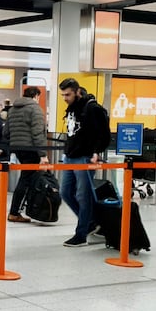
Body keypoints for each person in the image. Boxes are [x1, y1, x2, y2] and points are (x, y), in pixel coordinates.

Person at [58, 78, 111, 247]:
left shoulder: (93, 108)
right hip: (70, 156)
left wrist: (96, 152)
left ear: (77, 91)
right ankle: (92, 222)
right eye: (63, 95)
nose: (65, 98)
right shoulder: (72, 108)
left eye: (68, 94)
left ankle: (81, 234)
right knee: (65, 192)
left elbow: (103, 134)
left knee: (83, 196)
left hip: (85, 157)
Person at [4, 86, 49, 222]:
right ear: (36, 96)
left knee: (27, 178)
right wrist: (43, 154)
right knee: (26, 179)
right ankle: (15, 212)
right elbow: (37, 133)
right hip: (31, 149)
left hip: (17, 148)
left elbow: (6, 132)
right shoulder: (35, 109)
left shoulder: (12, 109)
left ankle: (22, 210)